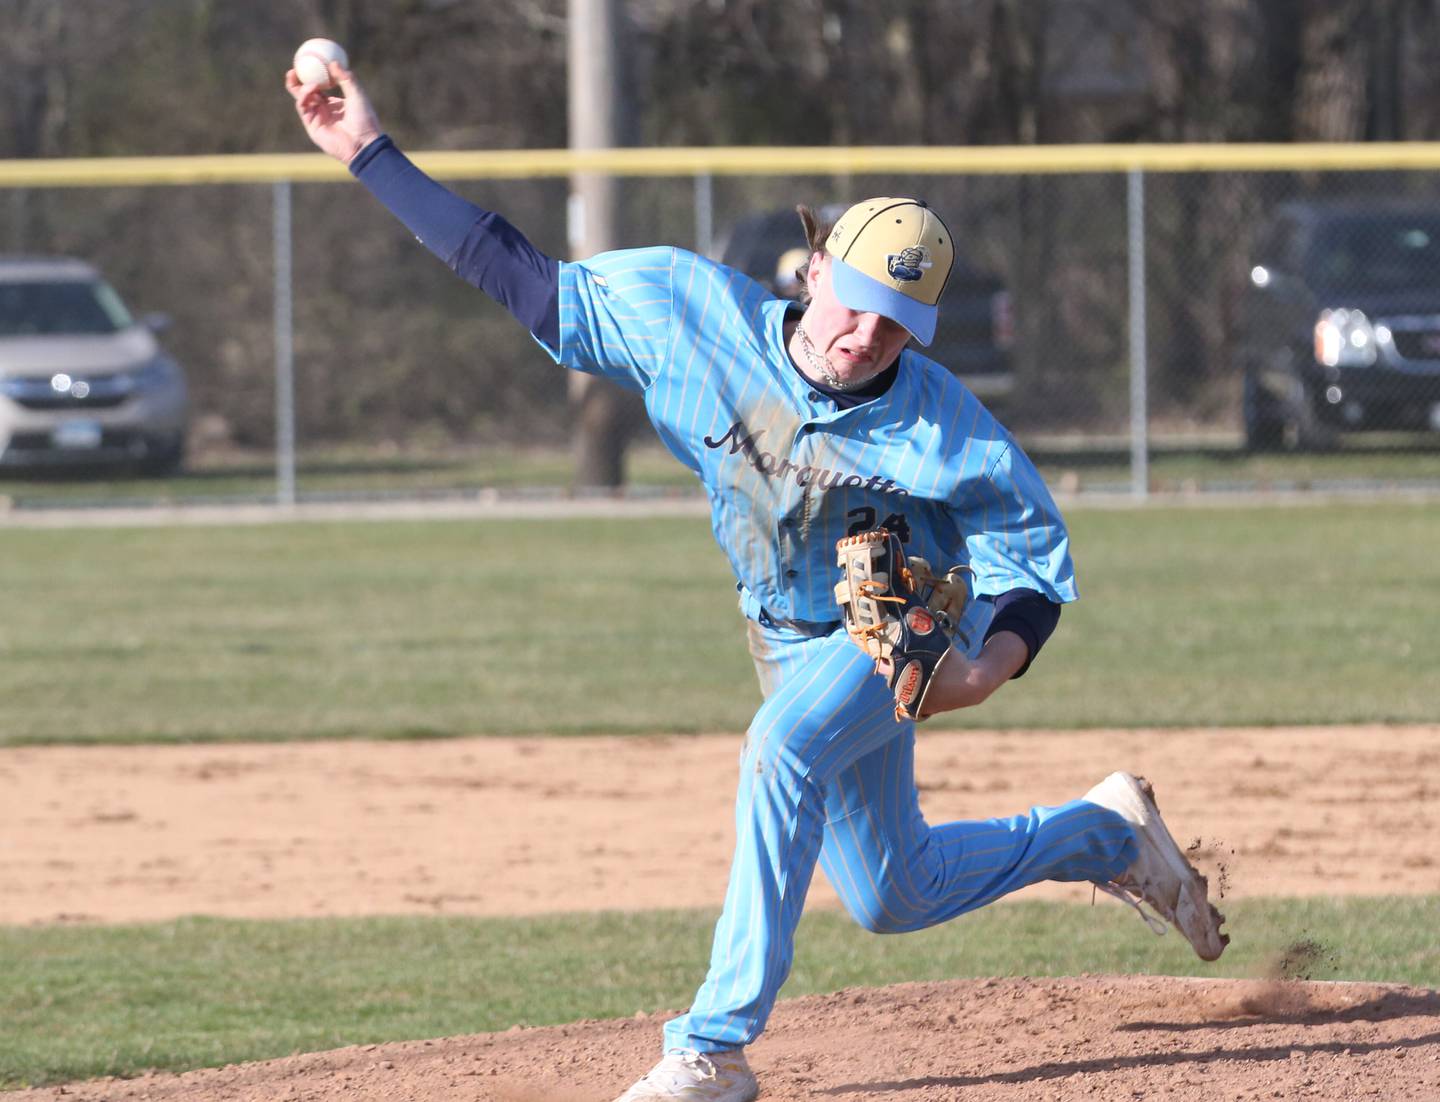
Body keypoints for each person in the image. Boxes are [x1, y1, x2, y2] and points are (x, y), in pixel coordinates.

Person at [288, 62, 1228, 1102]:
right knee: (892, 893)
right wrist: (369, 152)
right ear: (816, 265)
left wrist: (984, 672)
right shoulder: (688, 314)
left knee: (781, 750)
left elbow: (1031, 567)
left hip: (887, 632)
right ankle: (1105, 832)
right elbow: (513, 272)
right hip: (777, 633)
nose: (864, 337)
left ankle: (713, 1048)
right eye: (859, 303)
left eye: (896, 326)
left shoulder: (947, 423)